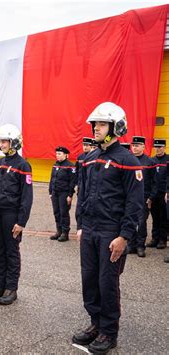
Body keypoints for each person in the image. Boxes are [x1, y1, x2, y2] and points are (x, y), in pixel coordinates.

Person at [74, 102, 144, 353]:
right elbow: (82, 195)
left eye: (102, 124)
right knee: (89, 280)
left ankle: (109, 331)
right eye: (95, 124)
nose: (96, 129)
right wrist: (80, 225)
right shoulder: (89, 159)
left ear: (116, 127)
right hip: (90, 230)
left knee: (107, 283)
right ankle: (95, 323)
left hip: (111, 232)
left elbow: (135, 205)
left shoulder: (128, 161)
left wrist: (124, 236)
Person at [0, 124, 33, 305]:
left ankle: (11, 288)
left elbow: (27, 197)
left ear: (14, 142)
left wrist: (21, 222)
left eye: (4, 141)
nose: (1, 144)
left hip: (11, 215)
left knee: (11, 251)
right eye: (0, 141)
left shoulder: (23, 165)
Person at [128, 136, 154, 257]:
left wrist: (151, 197)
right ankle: (131, 245)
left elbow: (155, 182)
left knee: (141, 223)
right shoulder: (128, 159)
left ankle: (140, 246)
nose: (135, 147)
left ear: (143, 146)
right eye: (133, 145)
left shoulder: (149, 162)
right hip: (130, 197)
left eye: (137, 145)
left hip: (143, 198)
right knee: (130, 221)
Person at [49, 146, 76, 242]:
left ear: (65, 155)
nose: (57, 155)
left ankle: (65, 233)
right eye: (56, 154)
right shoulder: (55, 165)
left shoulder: (70, 166)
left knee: (63, 212)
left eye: (59, 154)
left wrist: (70, 195)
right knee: (56, 212)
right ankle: (59, 231)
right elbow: (52, 179)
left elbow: (72, 182)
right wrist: (50, 192)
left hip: (64, 193)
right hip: (55, 192)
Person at [147, 139, 168, 249]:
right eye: (156, 147)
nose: (158, 149)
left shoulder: (167, 160)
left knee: (163, 217)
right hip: (154, 193)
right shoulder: (151, 160)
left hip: (164, 193)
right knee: (155, 217)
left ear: (164, 148)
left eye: (160, 147)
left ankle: (162, 240)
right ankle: (155, 238)